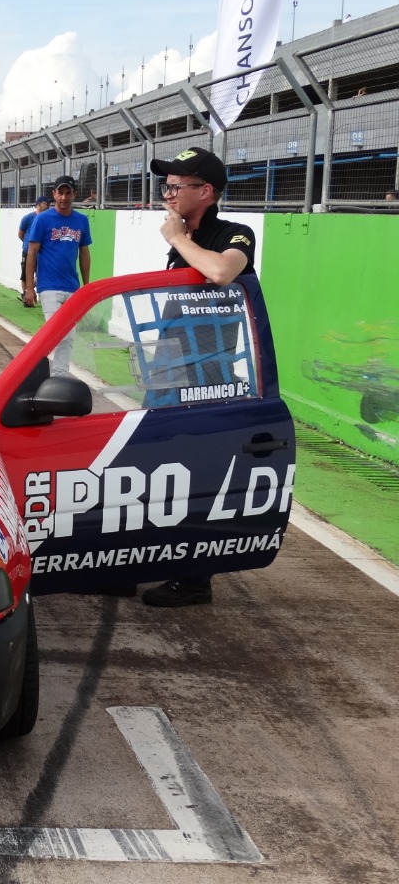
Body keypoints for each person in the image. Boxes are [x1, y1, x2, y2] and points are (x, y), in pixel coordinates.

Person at [141, 145, 258, 609]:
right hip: (169, 373)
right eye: (165, 185)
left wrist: (179, 241)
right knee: (151, 473)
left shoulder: (235, 233)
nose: (167, 193)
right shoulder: (181, 238)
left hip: (207, 379)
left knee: (196, 479)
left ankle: (194, 579)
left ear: (205, 191)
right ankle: (132, 563)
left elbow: (221, 271)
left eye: (176, 186)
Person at [24, 175, 91, 375]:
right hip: (49, 286)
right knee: (55, 332)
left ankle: (59, 375)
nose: (63, 197)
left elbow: (84, 253)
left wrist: (86, 287)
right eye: (60, 193)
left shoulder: (82, 220)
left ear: (74, 195)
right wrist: (29, 287)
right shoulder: (43, 219)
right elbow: (32, 252)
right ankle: (31, 368)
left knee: (68, 336)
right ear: (53, 194)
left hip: (73, 286)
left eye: (68, 193)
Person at [17, 196, 51, 298]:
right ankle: (26, 295)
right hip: (28, 250)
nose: (48, 206)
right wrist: (29, 245)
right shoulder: (28, 218)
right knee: (25, 274)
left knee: (41, 274)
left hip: (42, 252)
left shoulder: (48, 218)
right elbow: (20, 234)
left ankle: (28, 291)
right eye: (46, 203)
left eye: (49, 204)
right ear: (39, 204)